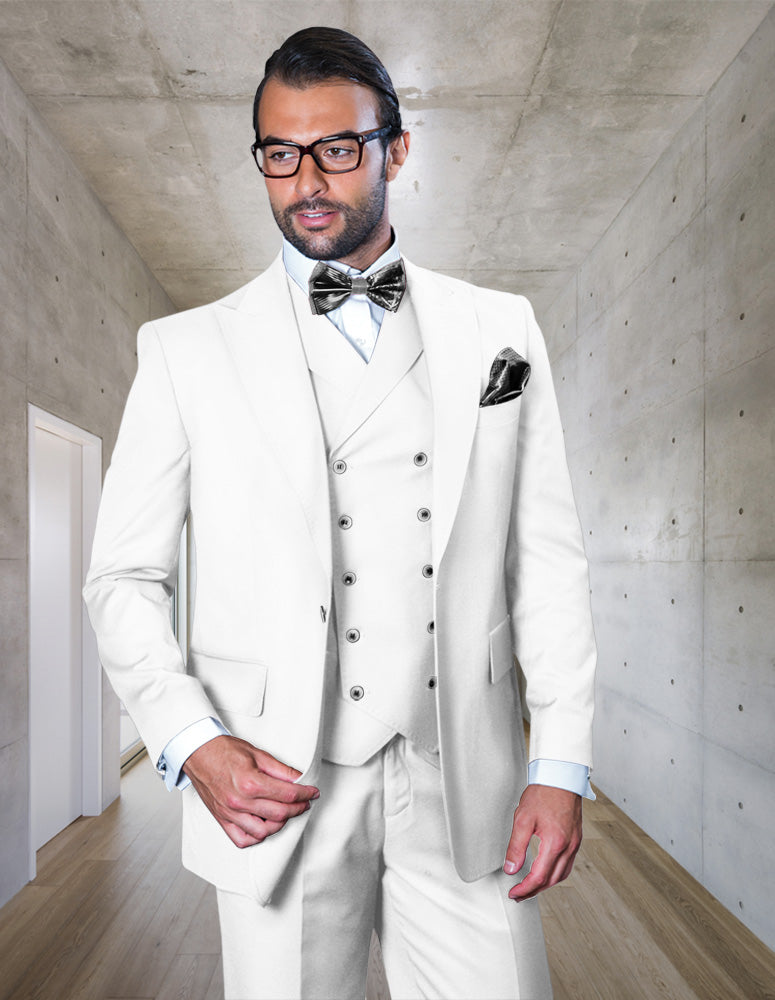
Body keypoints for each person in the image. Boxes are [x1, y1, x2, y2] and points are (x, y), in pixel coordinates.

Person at [84, 25, 596, 1000]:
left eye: (337, 148)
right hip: (273, 783)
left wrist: (561, 761)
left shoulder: (500, 329)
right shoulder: (184, 351)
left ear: (395, 150)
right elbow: (123, 577)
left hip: (466, 778)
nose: (307, 180)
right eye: (280, 154)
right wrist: (191, 741)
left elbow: (547, 561)